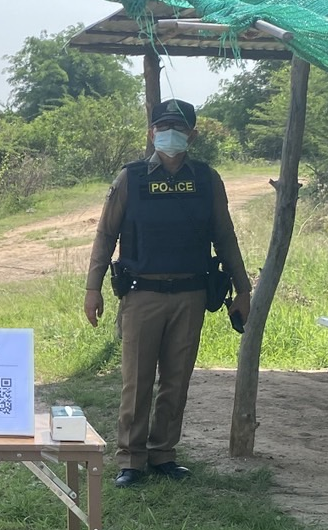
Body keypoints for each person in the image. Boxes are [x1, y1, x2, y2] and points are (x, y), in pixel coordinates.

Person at [83, 98, 252, 488]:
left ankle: (163, 454)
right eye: (163, 127)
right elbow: (106, 234)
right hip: (142, 294)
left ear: (192, 135)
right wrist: (93, 288)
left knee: (177, 380)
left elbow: (225, 237)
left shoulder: (207, 180)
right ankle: (131, 458)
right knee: (137, 381)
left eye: (178, 127)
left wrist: (243, 289)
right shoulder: (130, 179)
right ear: (151, 132)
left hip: (191, 295)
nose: (169, 133)